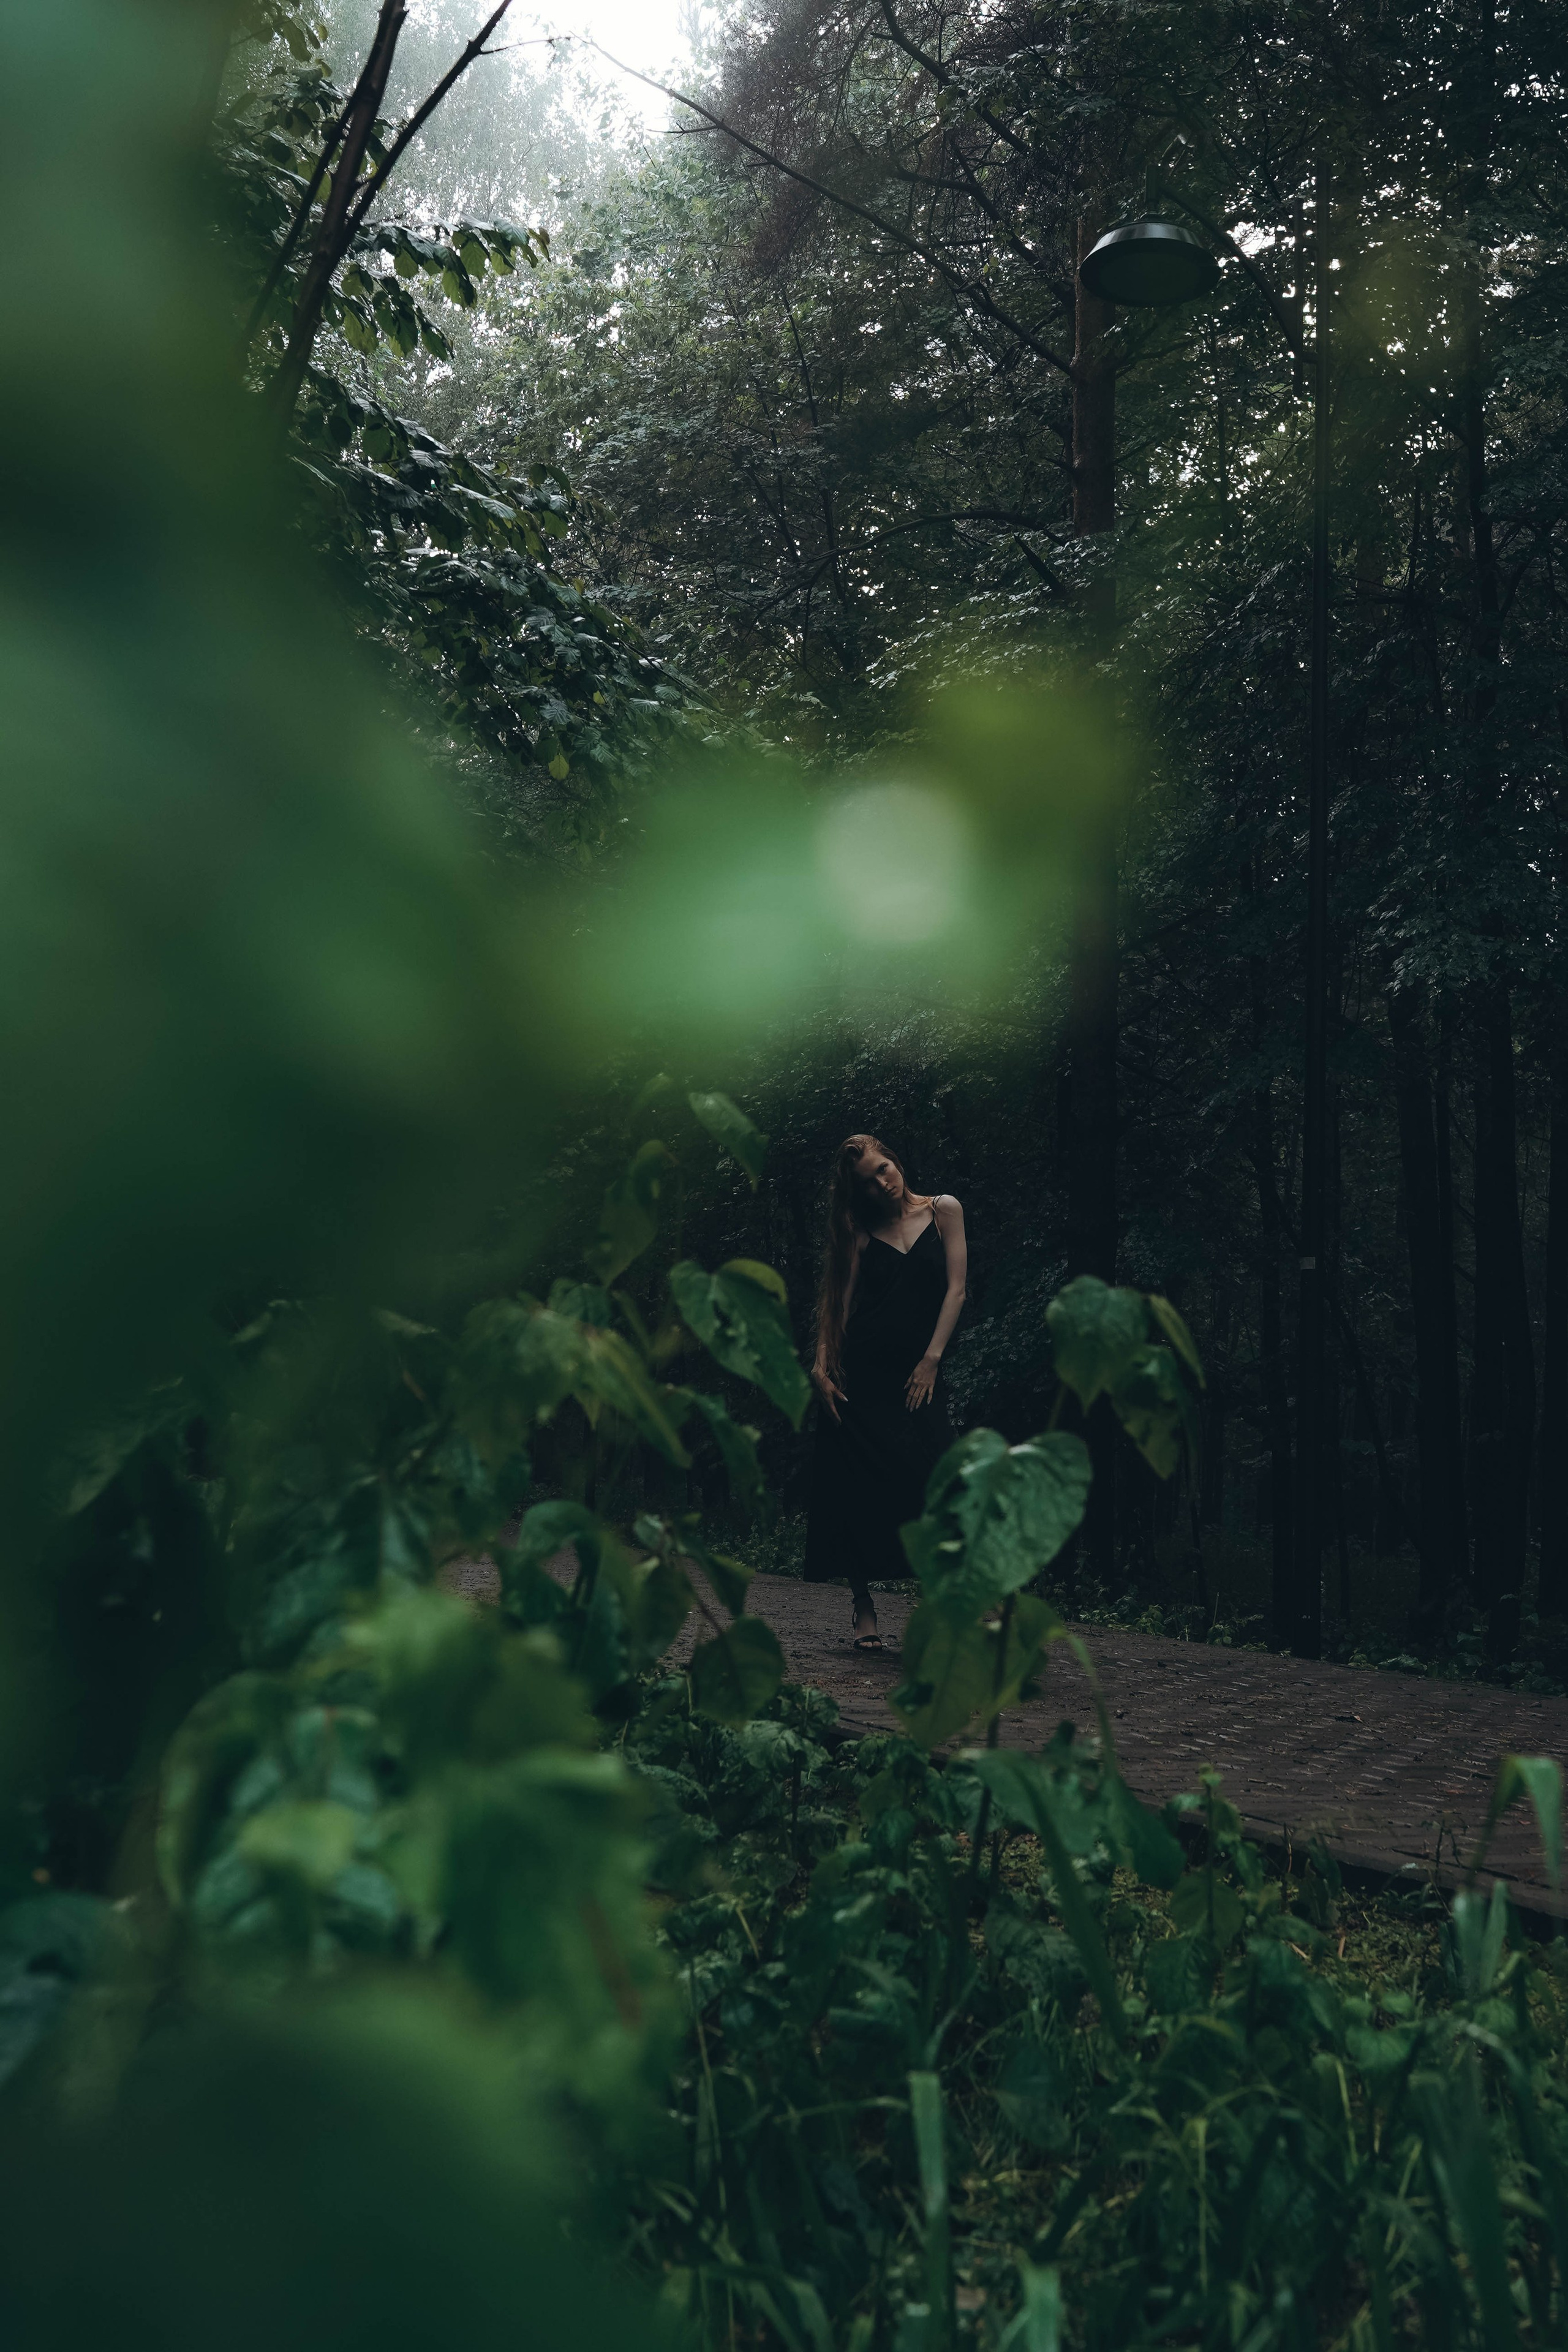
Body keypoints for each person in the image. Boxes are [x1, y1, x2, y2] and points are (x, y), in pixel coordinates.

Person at [803, 1135, 967, 1651]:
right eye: (870, 1181)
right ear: (860, 1192)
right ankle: (864, 1607)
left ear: (896, 1160)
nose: (883, 1181)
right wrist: (821, 1368)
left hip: (919, 1375)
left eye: (885, 1168)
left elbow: (956, 1290)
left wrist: (931, 1359)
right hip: (864, 1379)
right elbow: (839, 1308)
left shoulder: (944, 1210)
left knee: (941, 1478)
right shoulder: (861, 1232)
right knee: (857, 1486)